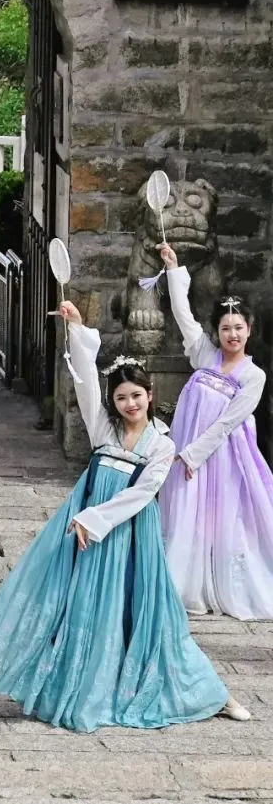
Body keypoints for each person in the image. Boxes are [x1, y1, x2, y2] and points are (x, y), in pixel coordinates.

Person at [0, 301, 249, 731]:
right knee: (74, 606)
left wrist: (94, 520)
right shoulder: (104, 429)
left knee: (150, 618)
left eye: (137, 396)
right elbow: (85, 382)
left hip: (127, 534)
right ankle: (77, 683)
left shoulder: (162, 444)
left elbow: (142, 494)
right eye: (121, 397)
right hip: (83, 526)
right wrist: (77, 329)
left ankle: (211, 693)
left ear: (150, 396)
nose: (130, 403)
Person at [157, 243, 273, 619]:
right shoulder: (205, 355)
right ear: (217, 331)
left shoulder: (253, 376)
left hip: (221, 457)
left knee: (220, 517)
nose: (232, 334)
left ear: (249, 330)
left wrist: (194, 455)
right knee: (185, 510)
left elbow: (228, 422)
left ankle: (219, 581)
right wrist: (174, 270)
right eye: (226, 328)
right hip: (189, 449)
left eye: (239, 328)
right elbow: (183, 315)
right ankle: (185, 583)